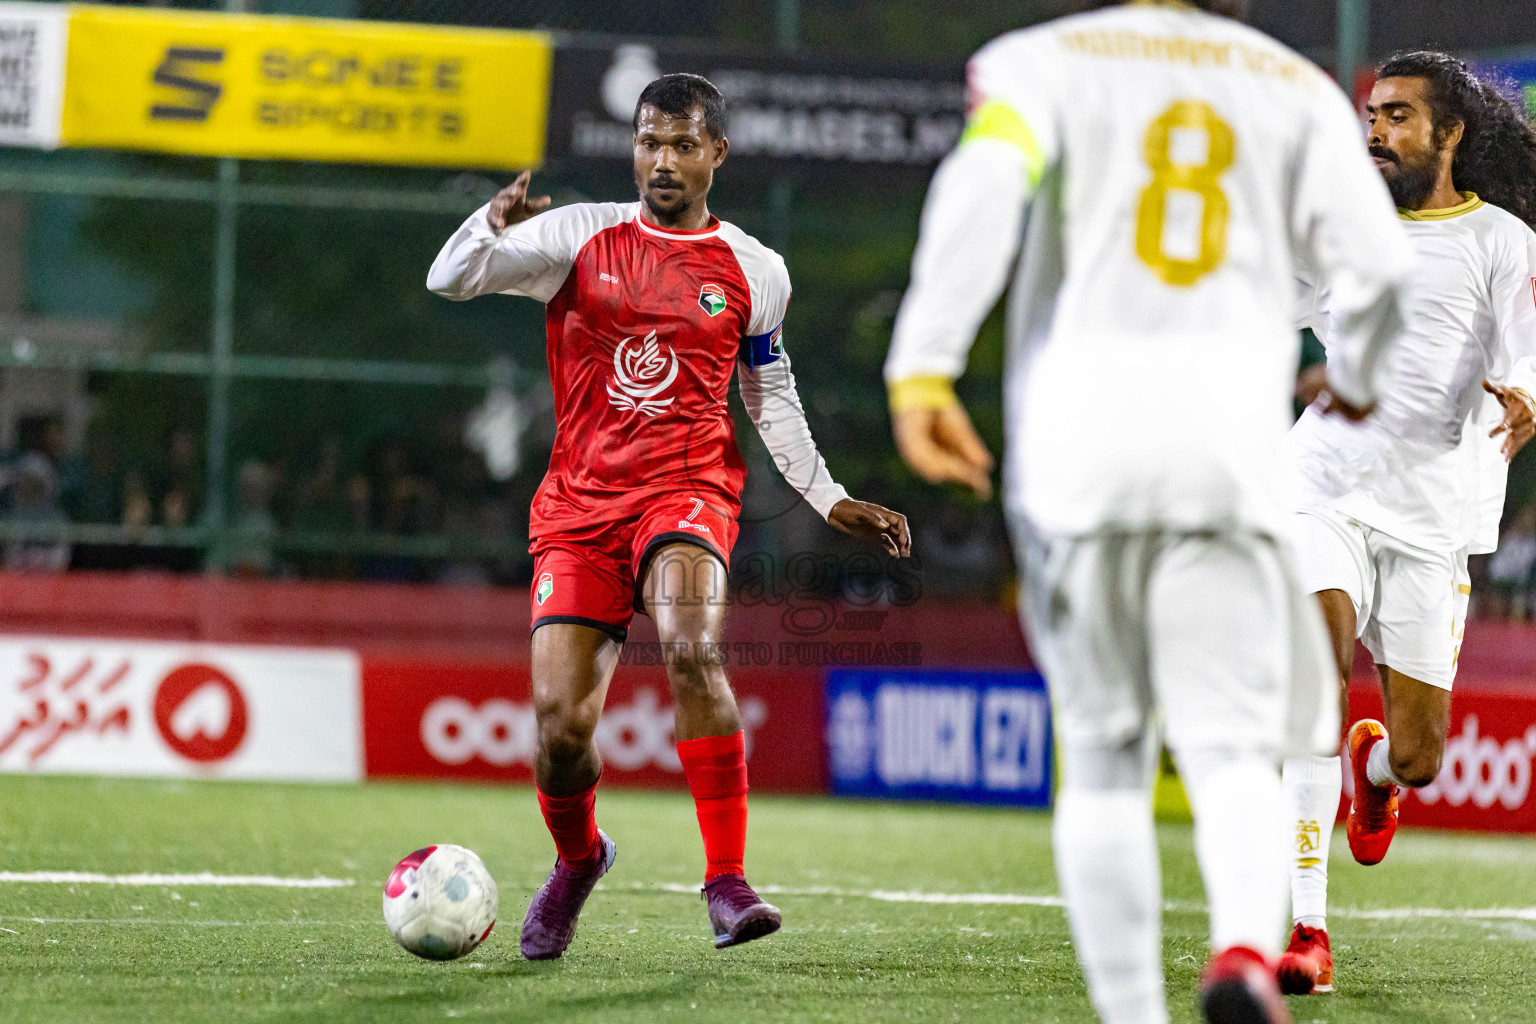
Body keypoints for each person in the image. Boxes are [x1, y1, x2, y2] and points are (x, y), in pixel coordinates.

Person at [883, 2, 1412, 1022]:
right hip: (1229, 464)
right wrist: (1357, 374)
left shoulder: (1041, 60)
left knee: (1104, 763)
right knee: (1231, 752)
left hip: (1083, 464)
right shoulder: (1295, 87)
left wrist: (923, 367)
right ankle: (1247, 951)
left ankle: (1134, 1012)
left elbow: (985, 180)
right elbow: (1381, 268)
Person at [427, 73, 909, 960]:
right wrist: (489, 224)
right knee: (560, 730)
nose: (662, 159)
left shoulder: (755, 271)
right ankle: (578, 861)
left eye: (683, 144)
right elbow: (449, 279)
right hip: (578, 507)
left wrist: (828, 496)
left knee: (692, 646)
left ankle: (726, 881)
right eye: (650, 141)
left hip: (687, 493)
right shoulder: (581, 234)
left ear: (716, 155)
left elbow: (770, 391)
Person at [1279, 51, 1536, 995]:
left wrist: (1525, 397)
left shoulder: (1504, 240)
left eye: (1397, 116)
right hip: (1324, 486)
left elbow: (1522, 352)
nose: (1377, 130)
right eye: (1371, 115)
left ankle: (1374, 770)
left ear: (1451, 133)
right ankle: (1308, 931)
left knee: (1423, 757)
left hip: (1436, 510)